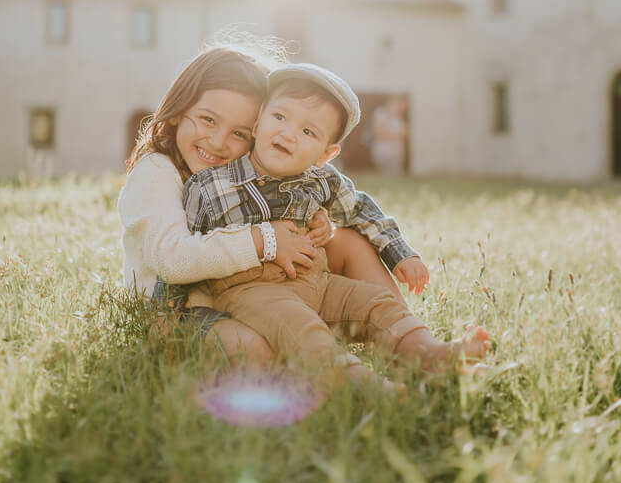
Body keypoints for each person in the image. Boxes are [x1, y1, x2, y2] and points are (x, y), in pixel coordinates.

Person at [183, 63, 489, 388]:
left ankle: (430, 354)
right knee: (301, 328)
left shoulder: (323, 180)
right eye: (280, 117)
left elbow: (361, 210)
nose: (288, 133)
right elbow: (190, 249)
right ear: (257, 123)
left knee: (376, 304)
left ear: (325, 154)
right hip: (250, 292)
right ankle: (365, 388)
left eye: (308, 132)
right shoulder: (211, 185)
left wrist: (401, 254)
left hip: (319, 282)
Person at [118, 42, 408, 367]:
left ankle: (407, 340)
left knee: (349, 241)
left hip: (269, 292)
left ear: (256, 132)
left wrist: (316, 219)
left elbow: (278, 201)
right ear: (177, 112)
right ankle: (327, 374)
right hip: (180, 314)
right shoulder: (156, 171)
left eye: (239, 133)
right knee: (254, 350)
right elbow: (172, 260)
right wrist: (264, 240)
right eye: (207, 120)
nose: (218, 142)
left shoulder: (240, 170)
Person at [370, 95, 409, 176]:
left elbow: (405, 134)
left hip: (397, 154)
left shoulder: (400, 118)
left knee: (396, 178)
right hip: (384, 153)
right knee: (386, 177)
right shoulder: (381, 113)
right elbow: (379, 133)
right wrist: (397, 135)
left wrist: (390, 134)